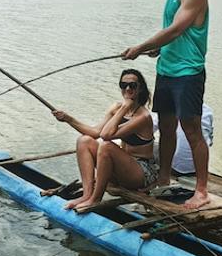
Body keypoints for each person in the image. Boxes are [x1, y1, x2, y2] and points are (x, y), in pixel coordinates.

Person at [121, 0, 210, 209]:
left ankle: (202, 191)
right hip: (167, 70)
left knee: (192, 130)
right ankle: (163, 180)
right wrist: (158, 49)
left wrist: (142, 46)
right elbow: (173, 34)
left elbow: (175, 30)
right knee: (167, 128)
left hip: (187, 72)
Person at [52, 69, 158, 210]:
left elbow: (106, 135)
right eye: (123, 85)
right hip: (122, 170)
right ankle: (87, 194)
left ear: (140, 88)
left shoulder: (142, 117)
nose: (127, 88)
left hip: (141, 174)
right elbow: (96, 132)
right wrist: (68, 119)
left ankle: (96, 199)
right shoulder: (116, 107)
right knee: (84, 141)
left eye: (132, 85)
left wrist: (125, 107)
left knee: (106, 146)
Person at [152, 104, 214, 176]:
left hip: (174, 167)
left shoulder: (171, 105)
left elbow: (150, 128)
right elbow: (209, 139)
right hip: (197, 169)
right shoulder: (208, 111)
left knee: (151, 145)